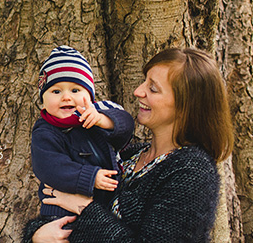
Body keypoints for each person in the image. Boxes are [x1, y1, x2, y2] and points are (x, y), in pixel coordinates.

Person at [23, 47, 234, 243]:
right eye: (144, 82)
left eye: (153, 88)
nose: (138, 91)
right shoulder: (126, 156)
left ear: (185, 105)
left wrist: (85, 208)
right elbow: (56, 211)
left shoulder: (191, 172)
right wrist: (36, 236)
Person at [32, 46, 134, 221]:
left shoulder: (97, 113)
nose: (66, 97)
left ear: (90, 95)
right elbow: (49, 167)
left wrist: (102, 120)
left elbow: (126, 125)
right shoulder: (45, 131)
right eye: (56, 91)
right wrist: (90, 177)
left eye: (75, 90)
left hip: (107, 205)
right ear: (43, 99)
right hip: (62, 212)